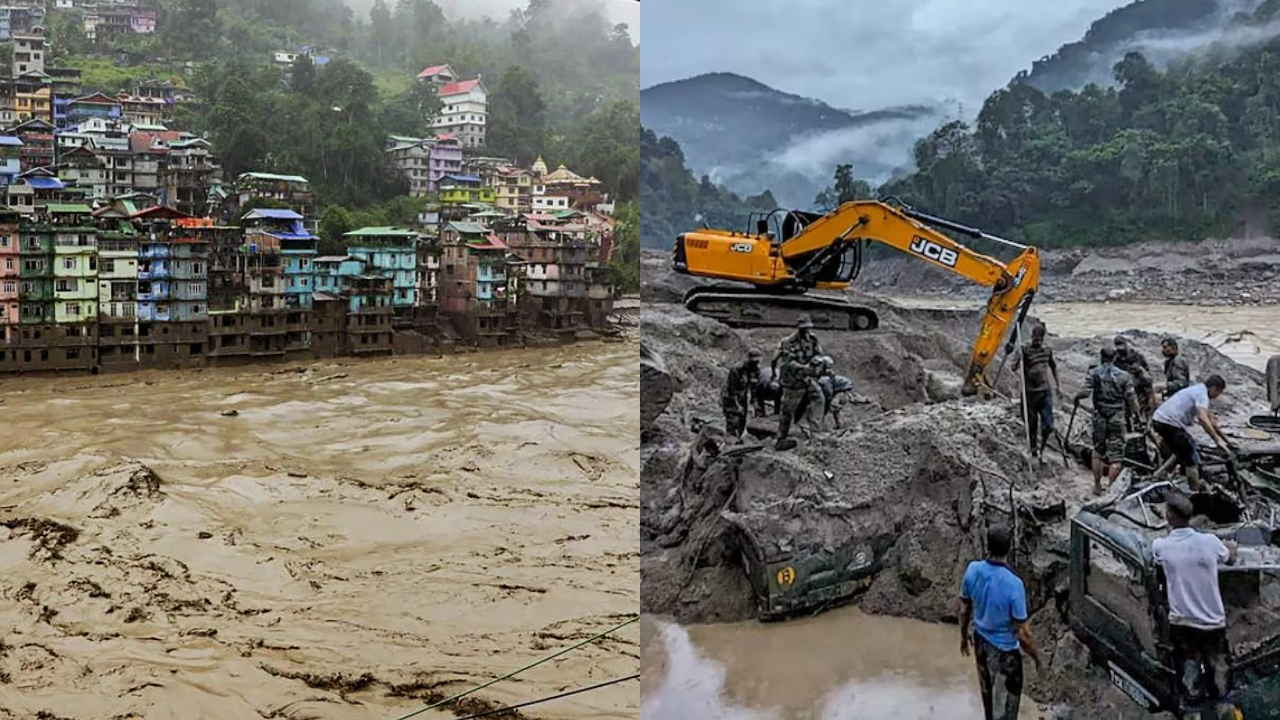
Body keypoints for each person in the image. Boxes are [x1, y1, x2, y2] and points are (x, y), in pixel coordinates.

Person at [1152, 493, 1237, 714]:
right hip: (1212, 621)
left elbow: (1153, 560)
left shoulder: (1162, 547)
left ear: (1169, 516)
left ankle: (1192, 704)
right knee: (1218, 664)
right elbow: (1230, 557)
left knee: (1189, 664)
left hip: (1182, 622)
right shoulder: (1210, 542)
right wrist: (1231, 546)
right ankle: (1221, 702)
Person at [960, 523, 1043, 720]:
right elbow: (1022, 634)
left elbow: (964, 609)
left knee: (990, 707)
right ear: (1009, 547)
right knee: (1005, 713)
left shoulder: (973, 570)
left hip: (981, 644)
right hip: (1006, 657)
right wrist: (1037, 659)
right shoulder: (1014, 585)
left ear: (988, 545)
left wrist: (963, 637)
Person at [1076, 346, 1140, 495]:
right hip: (1117, 416)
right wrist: (1137, 415)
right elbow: (1132, 398)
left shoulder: (1094, 373)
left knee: (1098, 451)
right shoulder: (1124, 376)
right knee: (1116, 455)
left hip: (1100, 415)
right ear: (1115, 358)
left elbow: (1085, 392)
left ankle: (1097, 486)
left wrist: (1076, 397)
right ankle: (1111, 489)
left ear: (1101, 357)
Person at [1151, 375, 1232, 492]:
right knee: (1190, 456)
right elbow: (1203, 419)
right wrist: (1216, 440)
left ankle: (1160, 474)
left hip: (1159, 420)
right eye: (1218, 392)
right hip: (1169, 423)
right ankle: (1195, 490)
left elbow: (1211, 420)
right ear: (1214, 388)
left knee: (1181, 449)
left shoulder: (1198, 389)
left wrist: (1226, 440)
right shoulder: (1202, 395)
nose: (1217, 396)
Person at [773, 315, 824, 450]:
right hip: (793, 380)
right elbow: (789, 362)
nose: (806, 331)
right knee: (787, 410)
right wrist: (805, 367)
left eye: (808, 328)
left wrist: (818, 362)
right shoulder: (788, 342)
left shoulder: (812, 339)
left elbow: (819, 353)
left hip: (807, 378)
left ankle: (815, 432)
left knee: (819, 398)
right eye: (803, 328)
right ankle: (781, 439)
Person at [1011, 324, 1060, 459]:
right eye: (1035, 339)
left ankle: (1042, 449)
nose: (1036, 342)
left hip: (1045, 392)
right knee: (1031, 425)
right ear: (1032, 337)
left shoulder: (1047, 351)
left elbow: (1053, 366)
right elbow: (1013, 367)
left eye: (1039, 340)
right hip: (1030, 393)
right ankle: (1033, 450)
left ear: (1043, 339)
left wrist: (1058, 385)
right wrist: (1019, 357)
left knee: (1048, 425)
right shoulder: (1025, 349)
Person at [721, 350, 762, 439]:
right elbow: (732, 390)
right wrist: (737, 406)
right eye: (753, 361)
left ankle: (737, 441)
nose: (755, 364)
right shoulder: (737, 369)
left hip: (742, 397)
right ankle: (729, 442)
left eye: (757, 362)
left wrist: (755, 403)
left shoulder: (756, 371)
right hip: (730, 398)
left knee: (742, 422)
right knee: (733, 422)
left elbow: (754, 388)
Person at [1115, 335, 1157, 422]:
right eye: (1119, 348)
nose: (1121, 350)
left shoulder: (1137, 356)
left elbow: (1148, 375)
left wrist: (1139, 369)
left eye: (1122, 347)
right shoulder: (1115, 358)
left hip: (1139, 383)